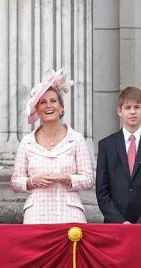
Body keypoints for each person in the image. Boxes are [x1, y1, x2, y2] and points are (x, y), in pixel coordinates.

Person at [10, 69, 95, 224]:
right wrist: (32, 181)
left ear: (61, 107)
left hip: (70, 214)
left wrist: (65, 177)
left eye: (53, 101)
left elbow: (89, 179)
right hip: (36, 215)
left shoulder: (76, 139)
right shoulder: (27, 142)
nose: (48, 106)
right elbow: (15, 181)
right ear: (37, 110)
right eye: (43, 102)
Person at [95, 87, 141, 224]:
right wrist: (120, 222)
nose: (133, 112)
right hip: (115, 225)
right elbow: (102, 190)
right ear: (120, 111)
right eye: (128, 107)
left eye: (137, 107)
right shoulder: (106, 145)